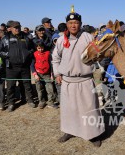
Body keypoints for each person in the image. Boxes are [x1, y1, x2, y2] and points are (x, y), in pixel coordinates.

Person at [52, 8, 104, 146]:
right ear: (66, 24)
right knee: (69, 110)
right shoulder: (61, 40)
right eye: (70, 23)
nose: (73, 25)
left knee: (89, 109)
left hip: (85, 80)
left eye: (76, 22)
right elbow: (55, 58)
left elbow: (98, 53)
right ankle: (70, 130)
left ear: (80, 24)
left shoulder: (88, 37)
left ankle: (94, 134)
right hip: (68, 81)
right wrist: (57, 73)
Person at [0, 21, 36, 112]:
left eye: (18, 27)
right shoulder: (6, 38)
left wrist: (28, 53)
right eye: (15, 27)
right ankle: (11, 103)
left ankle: (29, 100)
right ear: (10, 28)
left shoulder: (26, 37)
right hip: (11, 67)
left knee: (27, 84)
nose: (17, 29)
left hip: (24, 66)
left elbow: (32, 48)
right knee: (11, 86)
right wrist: (8, 54)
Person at [31, 41, 57, 109]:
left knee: (50, 88)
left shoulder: (48, 54)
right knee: (39, 89)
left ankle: (51, 102)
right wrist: (35, 74)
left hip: (47, 74)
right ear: (36, 48)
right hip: (38, 74)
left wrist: (51, 74)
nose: (40, 50)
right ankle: (41, 101)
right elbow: (32, 65)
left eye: (42, 48)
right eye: (39, 48)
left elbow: (51, 64)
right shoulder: (34, 54)